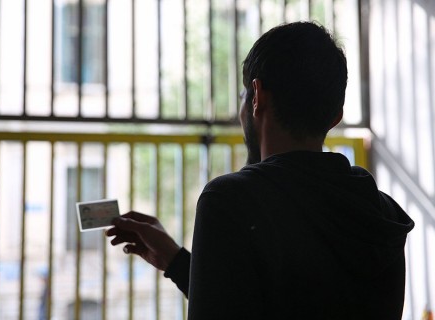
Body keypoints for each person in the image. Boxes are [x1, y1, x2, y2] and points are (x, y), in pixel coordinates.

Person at [105, 21, 414, 319]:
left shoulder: (230, 200)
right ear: (336, 116)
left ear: (258, 95)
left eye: (243, 96)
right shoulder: (381, 213)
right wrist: (176, 262)